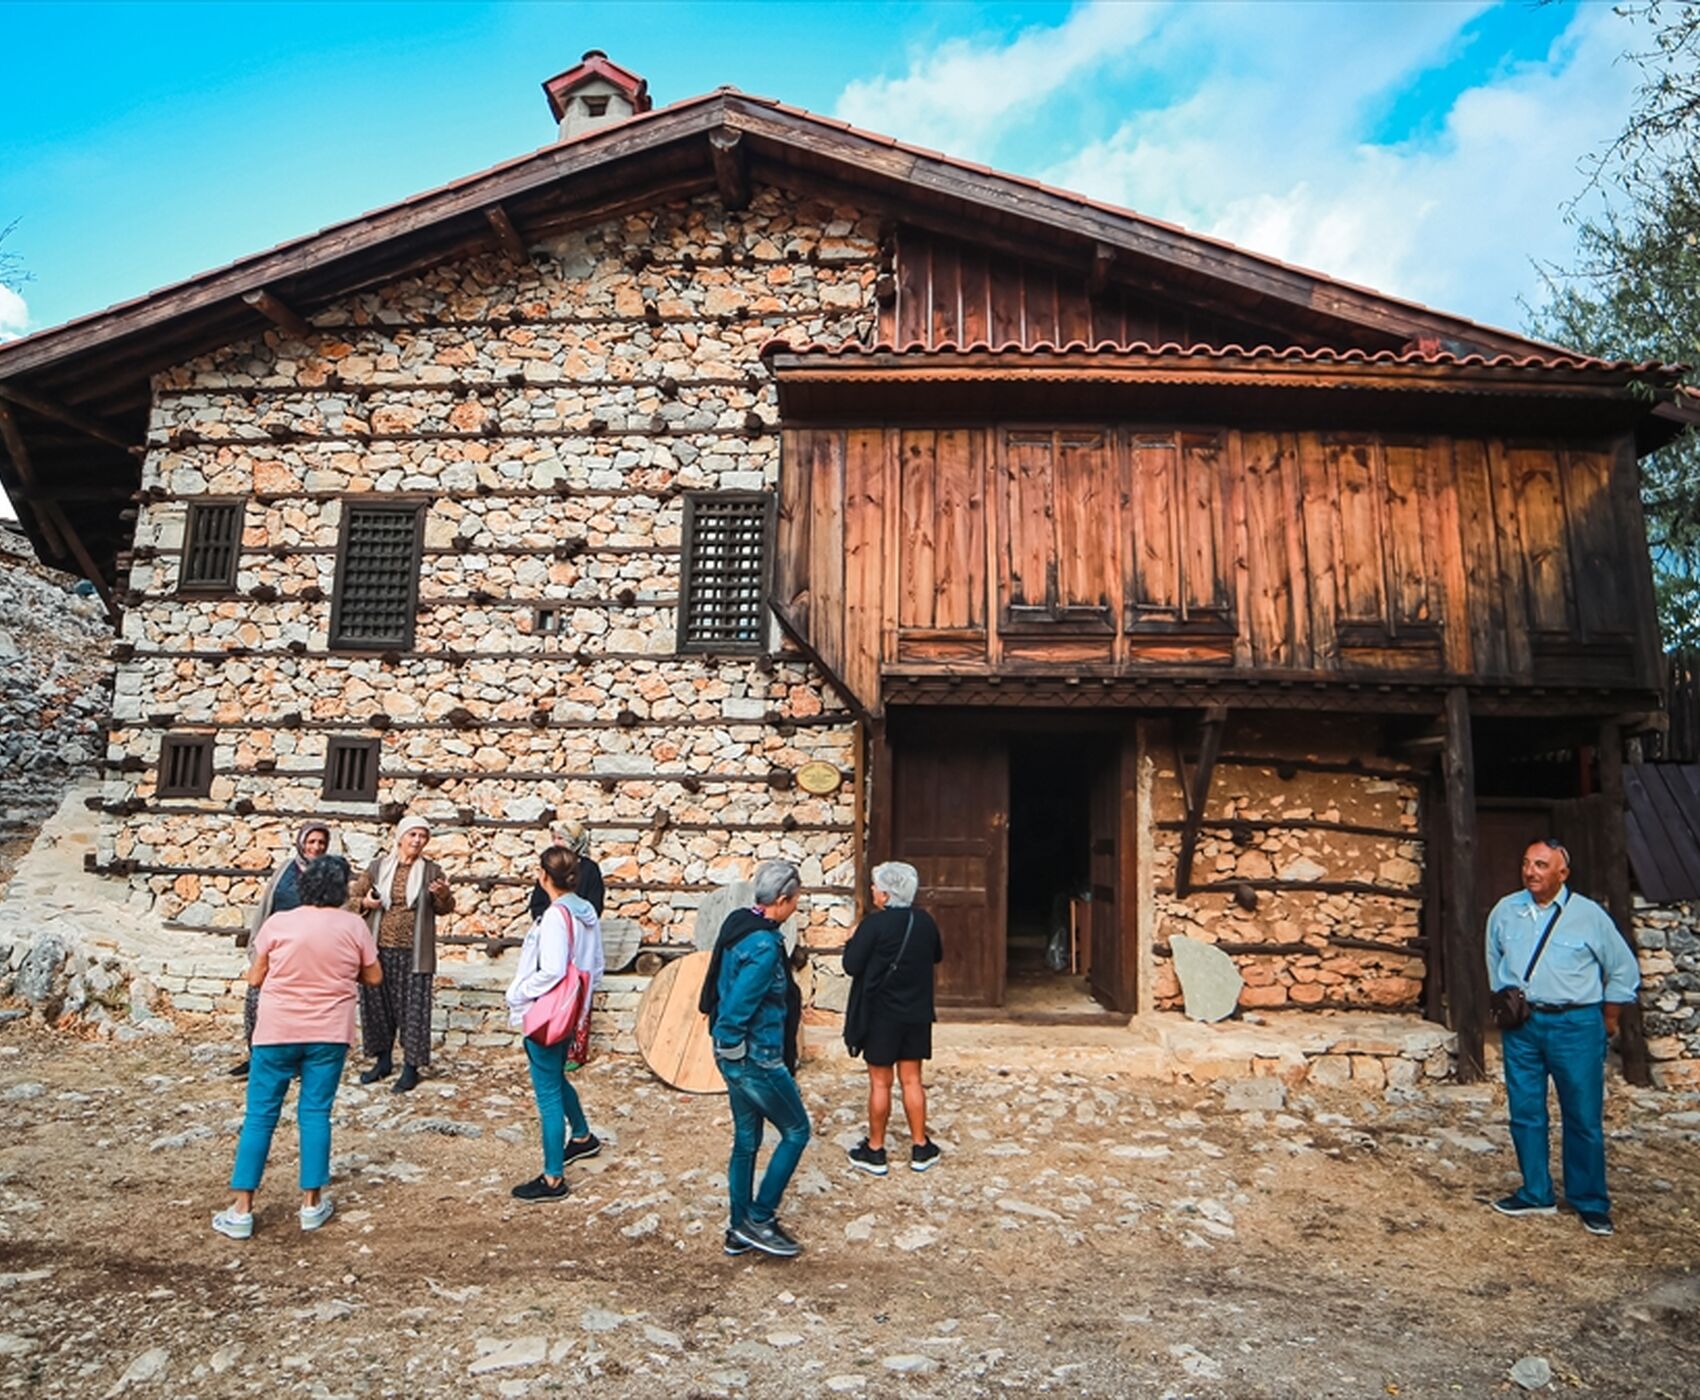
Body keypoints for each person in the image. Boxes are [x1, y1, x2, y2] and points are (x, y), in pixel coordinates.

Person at [212, 854, 380, 1239]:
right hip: (329, 1032)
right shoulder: (354, 925)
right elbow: (374, 976)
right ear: (341, 890)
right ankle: (311, 1204)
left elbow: (256, 978)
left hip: (277, 1030)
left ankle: (242, 1210)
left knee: (260, 1116)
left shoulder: (279, 923)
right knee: (316, 1113)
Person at [1486, 838, 1641, 1236]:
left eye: (1541, 865)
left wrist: (1608, 1018)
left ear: (1563, 873)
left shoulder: (1588, 916)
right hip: (1523, 1027)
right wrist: (1506, 1004)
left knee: (1582, 1116)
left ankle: (1589, 1201)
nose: (1530, 871)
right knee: (1525, 1111)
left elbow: (1623, 970)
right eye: (1526, 863)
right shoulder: (1505, 910)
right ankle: (1535, 1192)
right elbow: (1494, 961)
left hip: (1576, 1024)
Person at [700, 859, 810, 1259]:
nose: (796, 906)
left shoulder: (739, 923)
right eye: (795, 900)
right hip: (755, 1057)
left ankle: (737, 1228)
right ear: (781, 899)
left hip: (736, 1057)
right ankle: (759, 1219)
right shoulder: (763, 947)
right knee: (797, 1130)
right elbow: (737, 1009)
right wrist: (735, 1056)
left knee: (747, 1140)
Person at [505, 845, 607, 1201]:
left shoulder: (554, 917)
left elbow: (551, 969)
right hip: (571, 1010)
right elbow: (595, 966)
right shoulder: (587, 913)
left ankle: (552, 1178)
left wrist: (519, 992)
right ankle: (581, 1136)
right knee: (556, 1077)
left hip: (547, 1013)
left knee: (546, 1093)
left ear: (543, 876)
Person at [843, 861, 944, 1175]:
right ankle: (920, 1146)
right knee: (912, 1079)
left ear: (886, 895)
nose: (873, 890)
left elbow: (851, 965)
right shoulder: (924, 922)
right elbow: (937, 955)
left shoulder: (873, 926)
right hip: (916, 1012)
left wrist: (852, 939)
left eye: (876, 886)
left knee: (880, 1082)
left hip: (880, 1015)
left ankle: (875, 1149)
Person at [349, 814, 455, 1093]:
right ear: (400, 837)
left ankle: (410, 1068)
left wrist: (443, 894)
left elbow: (444, 908)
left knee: (413, 1010)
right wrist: (365, 902)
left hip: (414, 952)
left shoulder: (432, 871)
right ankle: (382, 1061)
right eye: (413, 835)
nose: (417, 841)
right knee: (376, 1006)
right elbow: (351, 900)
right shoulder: (377, 868)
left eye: (423, 836)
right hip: (378, 949)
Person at [232, 821, 332, 1079]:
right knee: (257, 1002)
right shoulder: (285, 868)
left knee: (297, 1008)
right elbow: (267, 905)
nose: (316, 847)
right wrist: (258, 944)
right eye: (311, 841)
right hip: (275, 947)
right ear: (301, 842)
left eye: (321, 842)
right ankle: (257, 1057)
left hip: (306, 953)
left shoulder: (330, 874)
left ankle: (294, 1063)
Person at [527, 820, 606, 921]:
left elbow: (595, 904)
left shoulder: (590, 869)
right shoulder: (550, 865)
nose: (556, 843)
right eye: (554, 838)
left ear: (575, 841)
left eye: (560, 838)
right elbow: (538, 902)